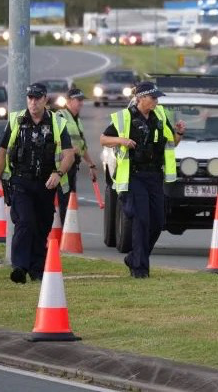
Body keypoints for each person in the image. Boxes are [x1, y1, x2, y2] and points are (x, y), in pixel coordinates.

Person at [100, 82, 185, 278]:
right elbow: (104, 138)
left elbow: (171, 143)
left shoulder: (160, 116)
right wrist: (122, 141)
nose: (156, 101)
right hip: (134, 175)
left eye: (157, 98)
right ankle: (139, 269)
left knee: (157, 222)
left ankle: (135, 257)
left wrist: (179, 133)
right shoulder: (125, 117)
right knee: (141, 220)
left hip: (155, 176)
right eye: (153, 98)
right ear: (140, 98)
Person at [0, 83, 75, 284]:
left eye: (37, 98)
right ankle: (19, 267)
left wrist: (58, 172)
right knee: (25, 222)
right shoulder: (17, 120)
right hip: (21, 181)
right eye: (30, 98)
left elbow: (69, 154)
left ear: (45, 99)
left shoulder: (57, 122)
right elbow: (3, 150)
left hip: (46, 183)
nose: (33, 102)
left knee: (42, 226)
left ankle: (37, 269)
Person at [56, 87, 98, 223]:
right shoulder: (60, 116)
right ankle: (64, 231)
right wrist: (67, 150)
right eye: (78, 100)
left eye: (82, 100)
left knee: (70, 198)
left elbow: (82, 146)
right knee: (64, 199)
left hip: (73, 165)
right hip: (63, 164)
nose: (81, 103)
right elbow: (53, 141)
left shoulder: (76, 120)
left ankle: (67, 230)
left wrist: (91, 164)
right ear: (68, 101)